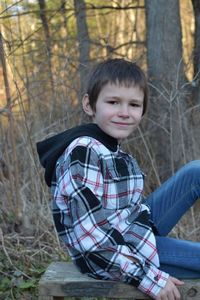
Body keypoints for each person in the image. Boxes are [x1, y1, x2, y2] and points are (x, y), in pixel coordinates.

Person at [37, 58, 200, 300]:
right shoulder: (84, 152)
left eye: (134, 104)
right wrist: (150, 278)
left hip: (130, 229)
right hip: (112, 254)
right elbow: (93, 243)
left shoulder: (110, 147)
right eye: (113, 102)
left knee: (195, 171)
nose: (124, 113)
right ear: (89, 104)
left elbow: (124, 209)